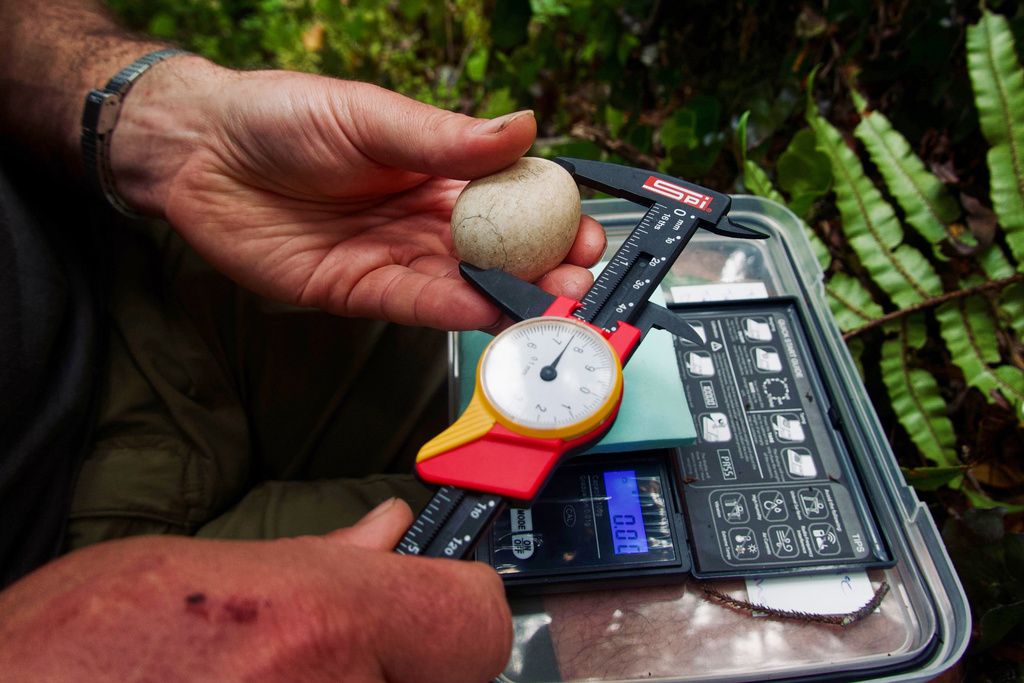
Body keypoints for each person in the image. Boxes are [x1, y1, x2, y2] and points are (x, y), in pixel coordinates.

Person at [0, 0, 606, 680]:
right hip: (68, 562)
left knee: (593, 460)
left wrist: (151, 117)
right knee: (566, 562)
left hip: (161, 241)